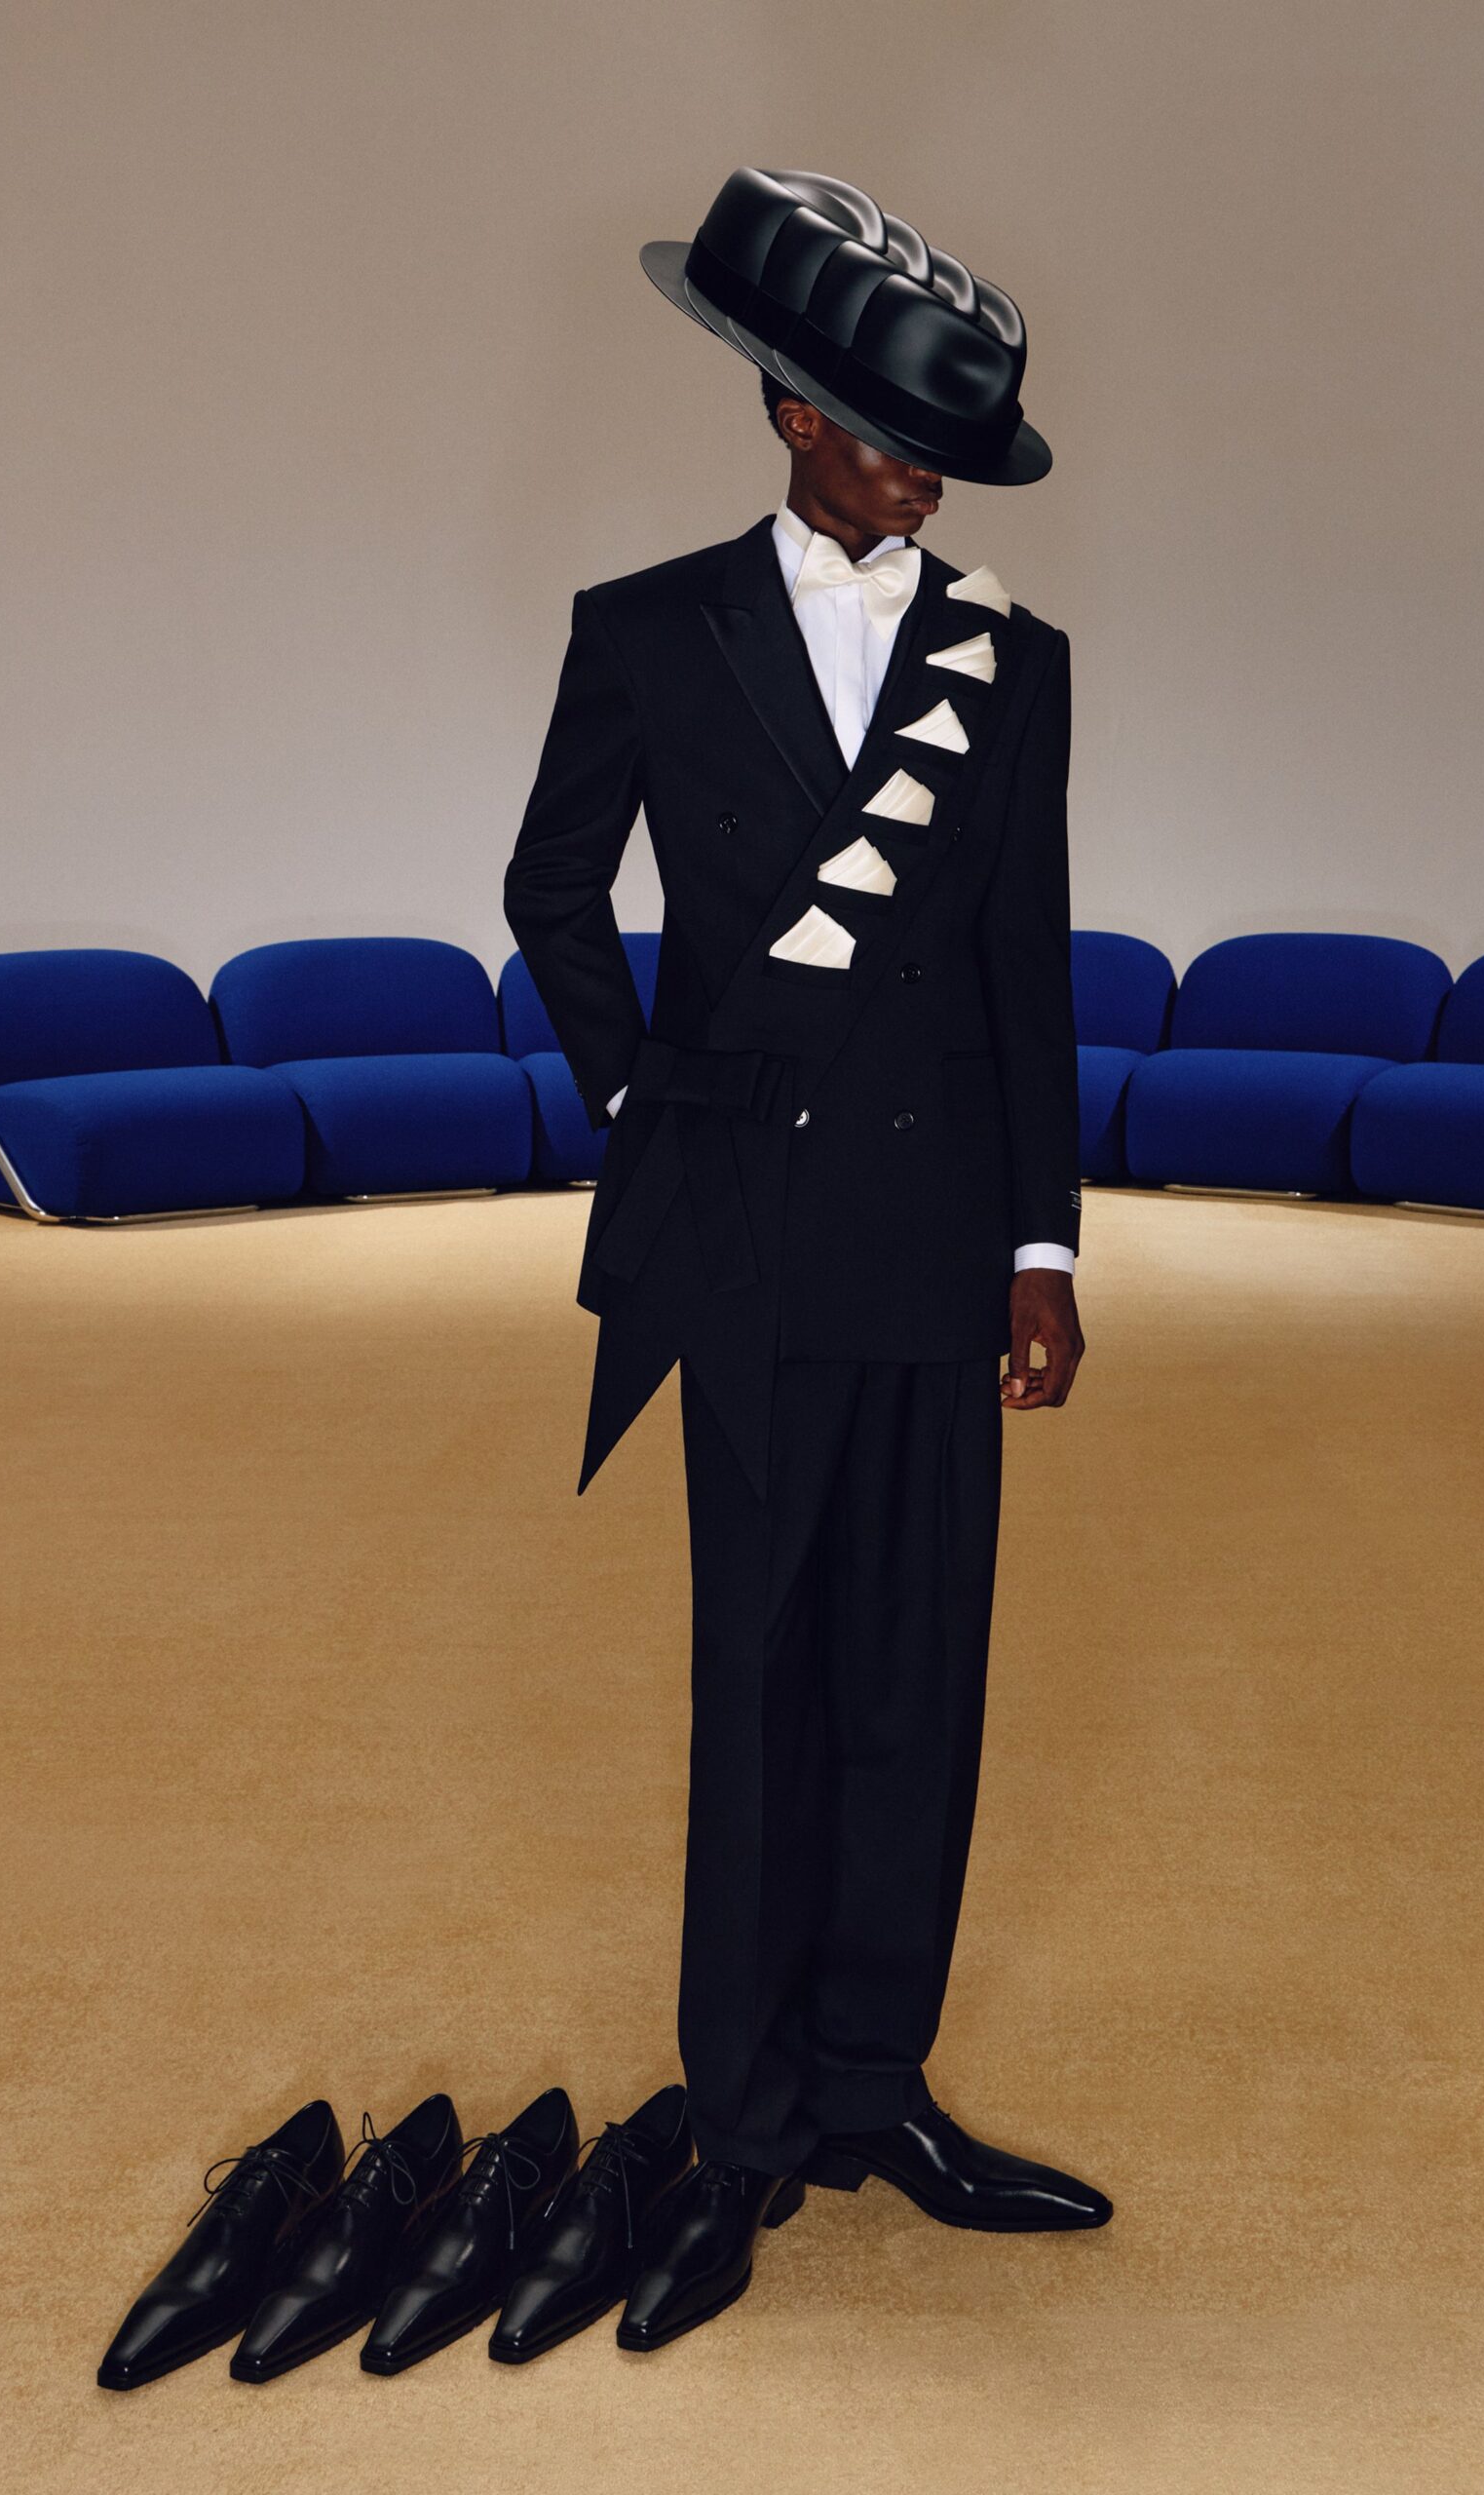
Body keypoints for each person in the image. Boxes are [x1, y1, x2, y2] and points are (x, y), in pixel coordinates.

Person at [505, 167, 1112, 2353]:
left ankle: (874, 2083)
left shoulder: (1012, 664)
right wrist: (644, 1104)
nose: (921, 477)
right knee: (758, 1685)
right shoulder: (647, 630)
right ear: (788, 412)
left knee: (915, 1681)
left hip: (937, 1241)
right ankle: (743, 2117)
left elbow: (1022, 964)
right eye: (887, 438)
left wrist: (1040, 1242)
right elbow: (552, 887)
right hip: (752, 1243)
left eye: (943, 448)